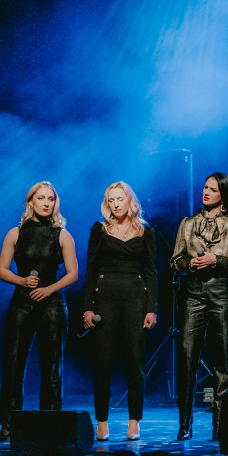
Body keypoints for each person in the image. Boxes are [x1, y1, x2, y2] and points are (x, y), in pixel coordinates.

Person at [170, 173, 228, 441]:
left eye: (213, 189)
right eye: (205, 187)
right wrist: (189, 264)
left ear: (223, 196)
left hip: (221, 294)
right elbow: (176, 260)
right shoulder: (188, 223)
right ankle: (184, 424)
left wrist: (216, 260)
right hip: (193, 294)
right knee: (186, 358)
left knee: (222, 362)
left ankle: (220, 423)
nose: (206, 192)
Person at [0, 182, 78, 441]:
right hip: (22, 302)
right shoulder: (15, 234)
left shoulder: (62, 235)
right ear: (30, 201)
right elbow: (2, 269)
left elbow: (73, 273)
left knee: (52, 364)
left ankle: (50, 421)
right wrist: (21, 281)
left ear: (55, 203)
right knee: (14, 361)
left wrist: (49, 289)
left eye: (51, 199)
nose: (46, 203)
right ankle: (9, 421)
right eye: (40, 198)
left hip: (52, 305)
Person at [83, 182, 158, 442]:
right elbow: (90, 269)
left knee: (136, 361)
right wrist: (88, 308)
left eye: (120, 199)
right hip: (105, 296)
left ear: (130, 202)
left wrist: (151, 309)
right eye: (111, 200)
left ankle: (134, 420)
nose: (115, 204)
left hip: (136, 298)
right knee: (103, 361)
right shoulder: (99, 229)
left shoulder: (145, 231)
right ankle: (101, 420)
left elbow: (151, 271)